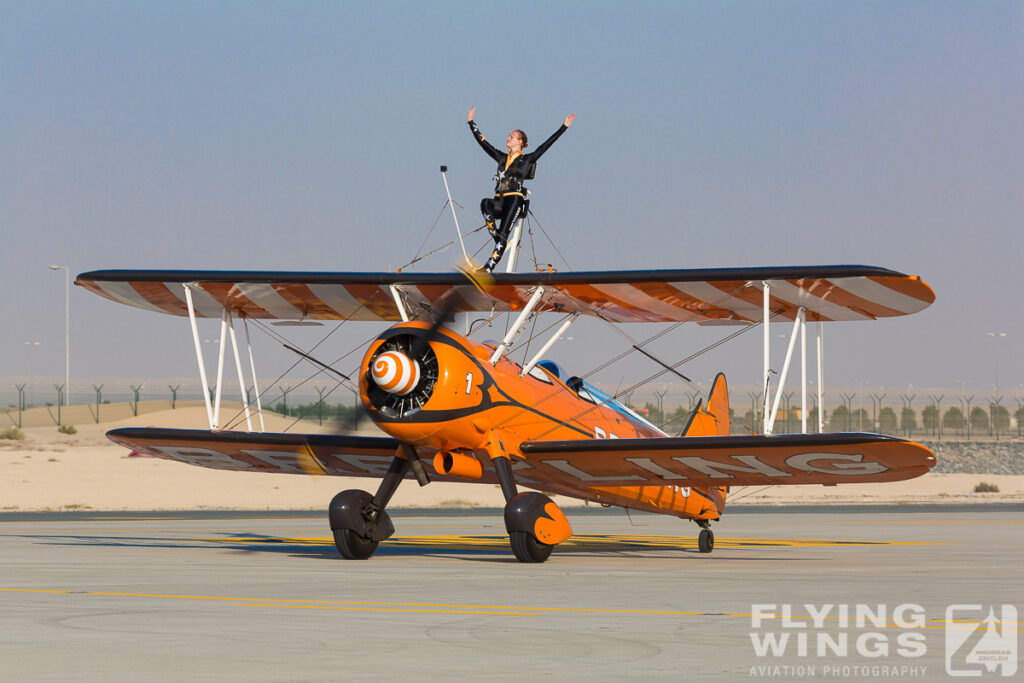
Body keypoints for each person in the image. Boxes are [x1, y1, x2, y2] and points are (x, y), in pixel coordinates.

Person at [467, 106, 574, 272]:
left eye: (512, 137)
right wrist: (471, 123)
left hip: (514, 199)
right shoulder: (501, 157)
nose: (508, 138)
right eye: (509, 136)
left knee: (504, 234)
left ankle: (489, 266)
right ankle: (496, 234)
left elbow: (546, 145)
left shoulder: (527, 159)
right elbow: (484, 143)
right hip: (499, 199)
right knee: (485, 203)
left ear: (520, 142)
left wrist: (564, 127)